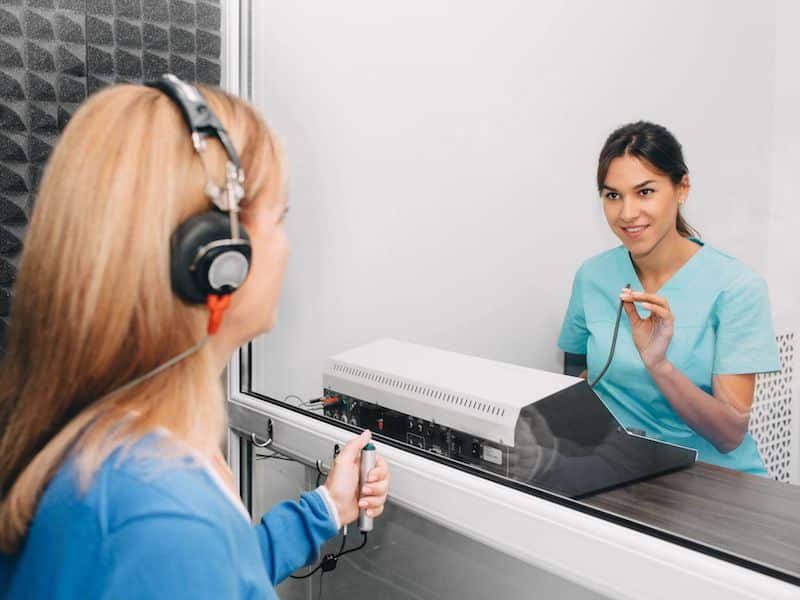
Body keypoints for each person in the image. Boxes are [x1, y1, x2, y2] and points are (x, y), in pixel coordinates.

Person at [0, 76, 390, 598]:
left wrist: (325, 509)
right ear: (215, 259)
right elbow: (184, 559)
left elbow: (209, 572)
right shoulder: (161, 520)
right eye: (279, 218)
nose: (287, 249)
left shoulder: (117, 452)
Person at [558, 121, 779, 475]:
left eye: (644, 192)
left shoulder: (736, 287)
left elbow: (729, 435)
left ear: (682, 188)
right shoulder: (592, 276)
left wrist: (658, 365)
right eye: (613, 195)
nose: (627, 213)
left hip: (712, 481)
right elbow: (573, 374)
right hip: (621, 471)